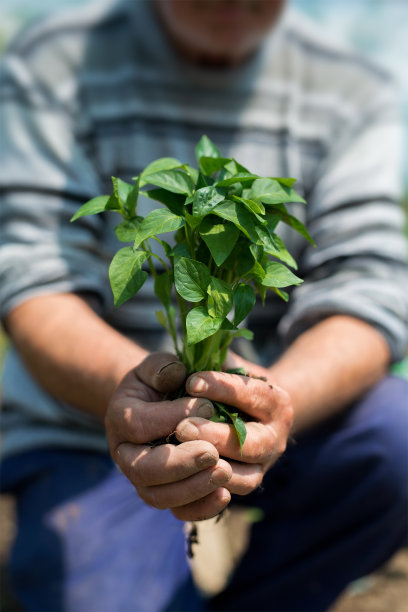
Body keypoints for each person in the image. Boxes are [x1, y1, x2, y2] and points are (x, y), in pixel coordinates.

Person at [0, 1, 407, 610]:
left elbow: (370, 282)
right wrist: (130, 394)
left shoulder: (351, 86)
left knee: (397, 436)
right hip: (83, 428)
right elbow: (31, 275)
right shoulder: (58, 62)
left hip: (281, 410)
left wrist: (270, 405)